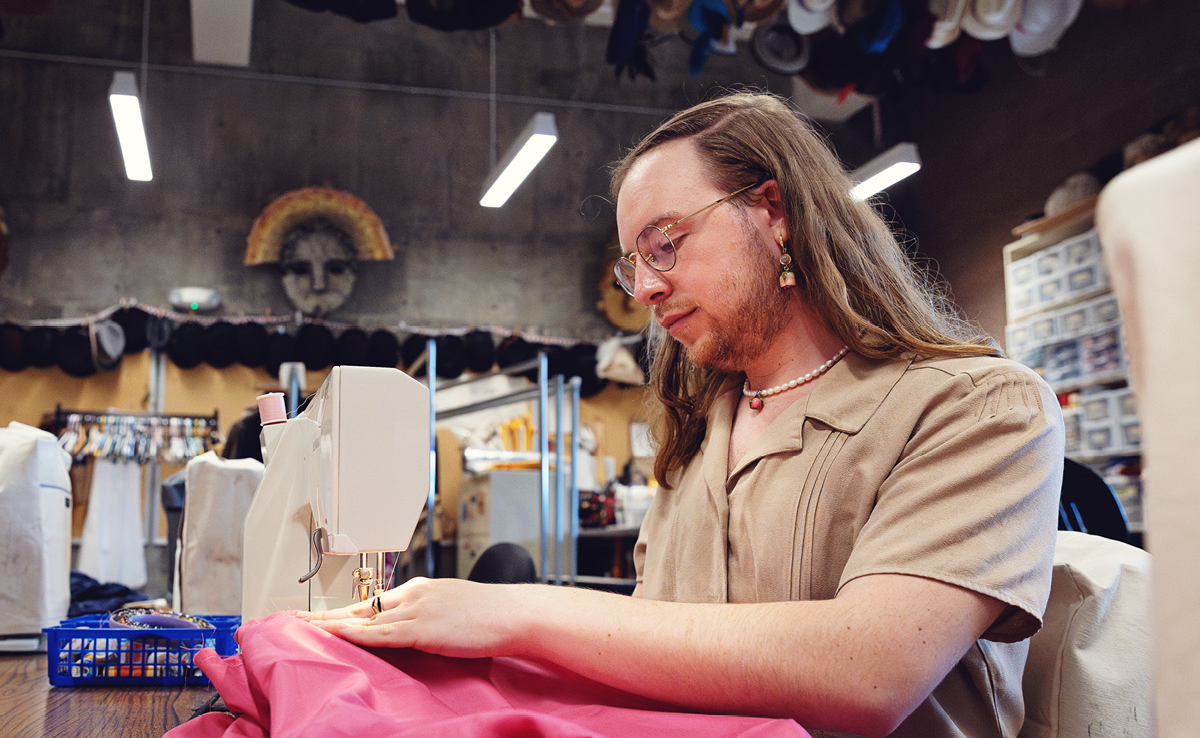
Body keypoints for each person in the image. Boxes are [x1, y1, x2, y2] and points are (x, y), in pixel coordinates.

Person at [301, 92, 1064, 738]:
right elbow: (665, 660)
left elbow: (869, 673)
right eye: (636, 265)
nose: (649, 288)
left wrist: (514, 615)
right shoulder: (700, 441)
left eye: (665, 243)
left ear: (774, 212)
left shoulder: (977, 408)